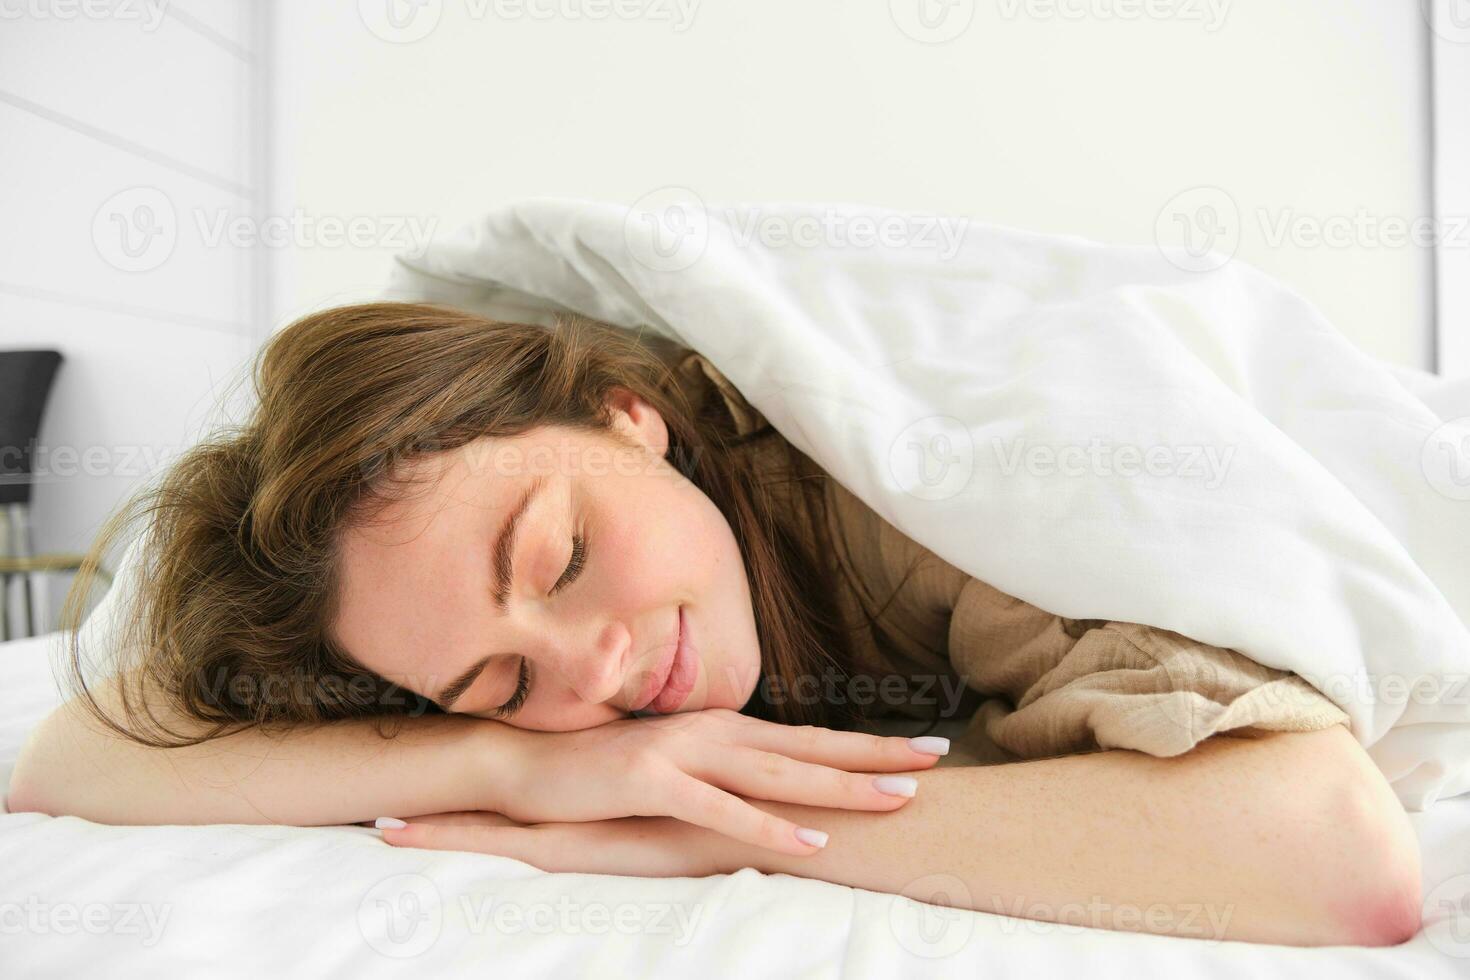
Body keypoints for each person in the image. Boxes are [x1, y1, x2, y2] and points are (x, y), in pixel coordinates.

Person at [9, 303, 1422, 946]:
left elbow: (1334, 859)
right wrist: (514, 768)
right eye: (496, 677)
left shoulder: (907, 487)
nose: (593, 668)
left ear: (631, 416)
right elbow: (74, 758)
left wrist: (699, 827)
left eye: (559, 556)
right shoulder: (516, 712)